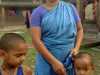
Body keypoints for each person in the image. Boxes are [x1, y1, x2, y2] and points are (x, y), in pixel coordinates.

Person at [30, 0, 83, 75]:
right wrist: (53, 62)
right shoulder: (37, 13)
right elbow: (36, 41)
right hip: (47, 62)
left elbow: (80, 29)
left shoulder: (70, 8)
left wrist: (76, 48)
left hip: (69, 60)